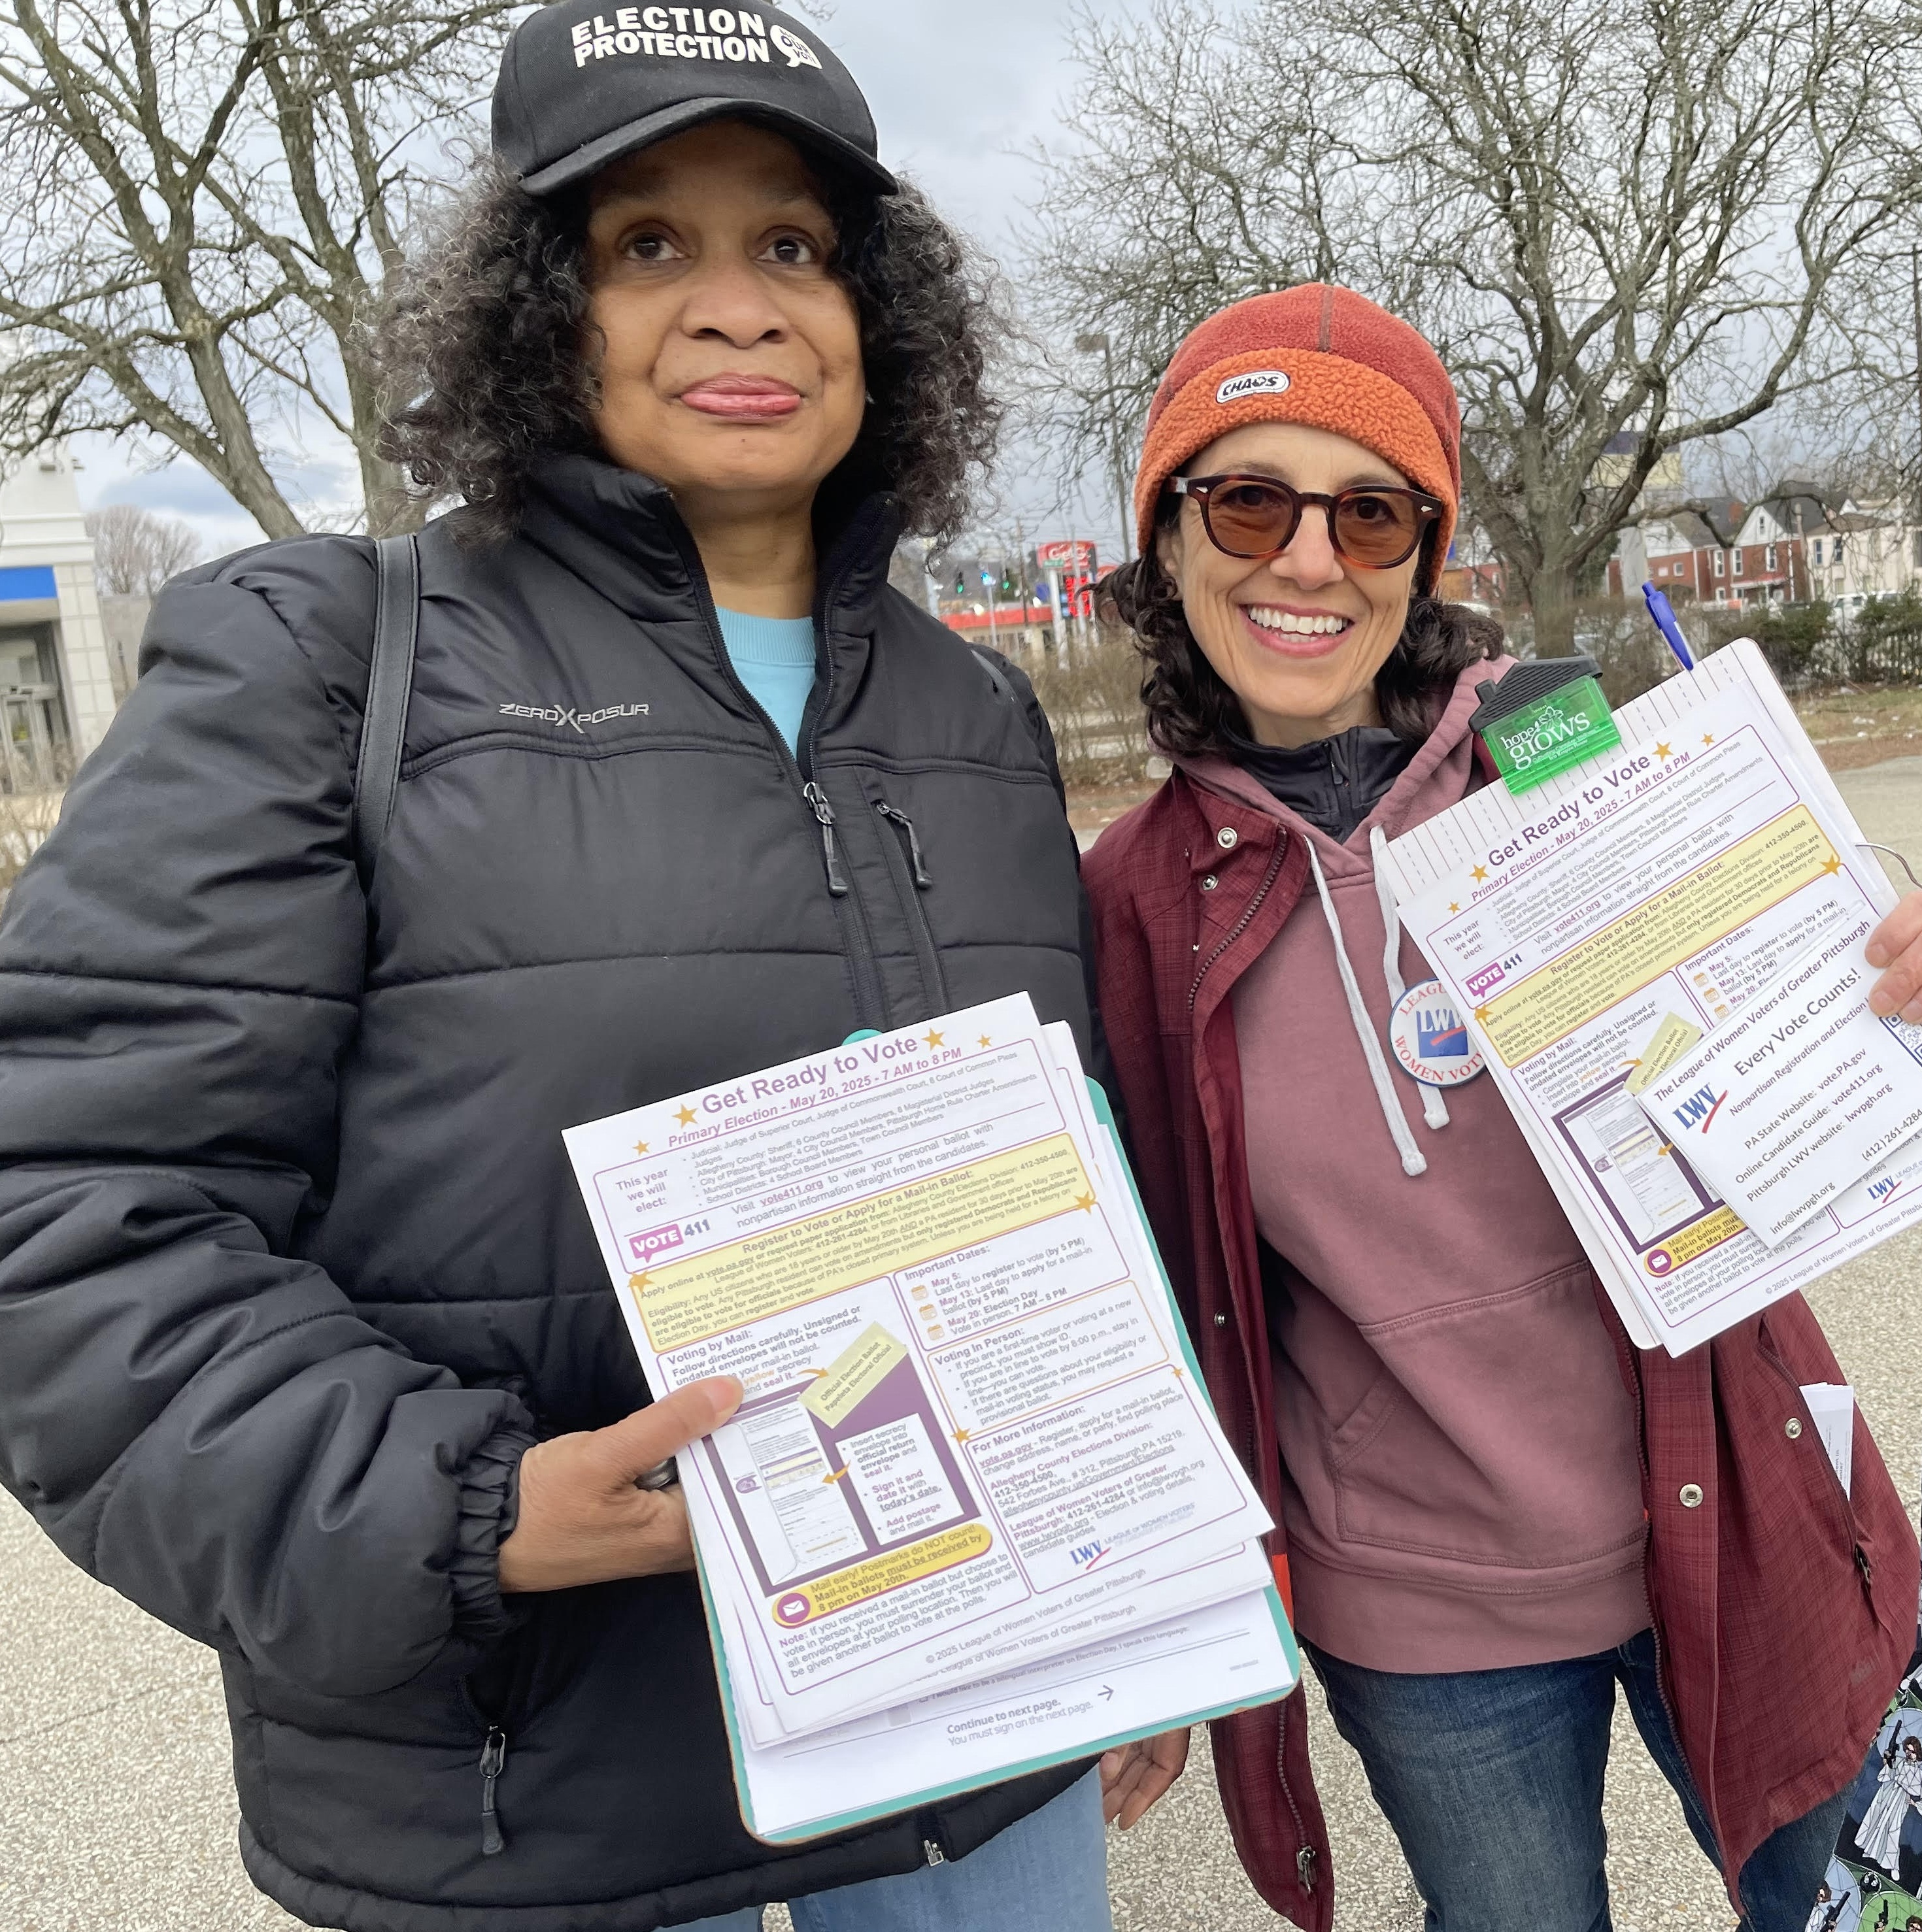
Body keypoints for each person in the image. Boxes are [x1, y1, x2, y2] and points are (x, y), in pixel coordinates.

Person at [0, 9, 1118, 1931]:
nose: (740, 307)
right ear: (540, 305)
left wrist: (1128, 1588)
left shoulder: (978, 714)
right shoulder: (321, 663)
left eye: (793, 246)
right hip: (541, 1815)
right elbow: (61, 1207)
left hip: (977, 1769)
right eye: (646, 245)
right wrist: (456, 1504)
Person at [1081, 284, 1922, 1931]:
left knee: (1875, 1906)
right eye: (1246, 499)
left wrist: (1915, 1005)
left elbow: (1819, 1064)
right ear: (1165, 533)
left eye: (1368, 513)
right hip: (1424, 1614)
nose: (1307, 560)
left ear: (1423, 550)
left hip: (1731, 1503)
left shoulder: (1575, 757)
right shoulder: (1127, 902)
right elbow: (1133, 1312)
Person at [1854, 1735, 1922, 1876]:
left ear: (1918, 1754)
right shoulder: (1898, 1761)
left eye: (1913, 1752)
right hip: (1887, 1794)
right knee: (1876, 1821)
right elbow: (1886, 1775)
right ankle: (1869, 1851)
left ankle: (1892, 1865)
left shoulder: (1920, 1775)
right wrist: (1888, 1764)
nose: (1910, 1754)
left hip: (1900, 1803)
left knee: (1893, 1830)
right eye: (1908, 1750)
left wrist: (1915, 1803)